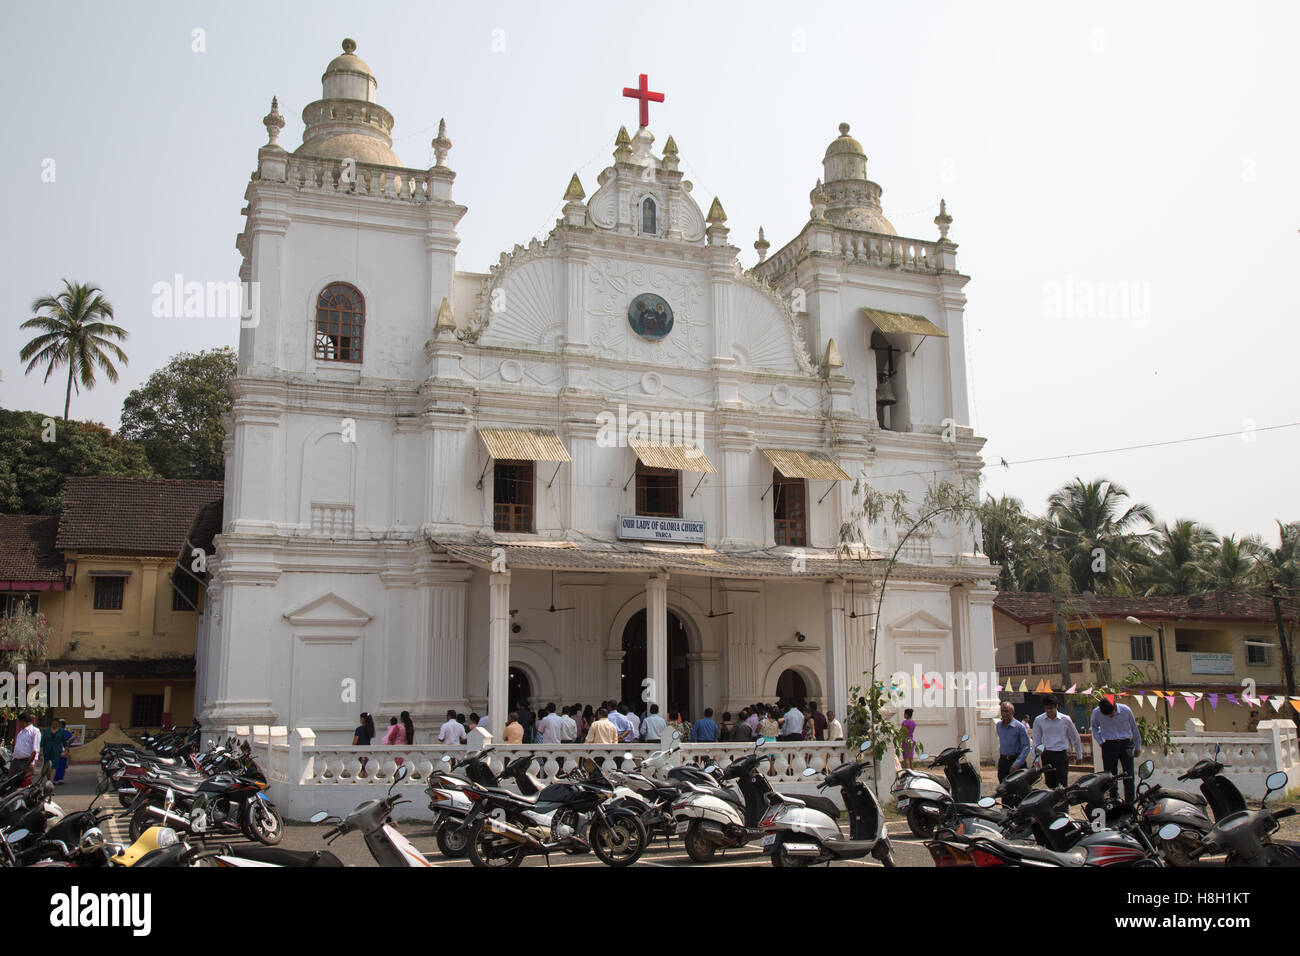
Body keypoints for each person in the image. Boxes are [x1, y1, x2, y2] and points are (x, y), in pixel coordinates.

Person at [1091, 697, 1142, 803]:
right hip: (1109, 745)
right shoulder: (1096, 712)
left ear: (1115, 706)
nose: (1110, 716)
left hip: (1125, 743)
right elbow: (1094, 728)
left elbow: (1134, 728)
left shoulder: (1126, 710)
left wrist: (1138, 747)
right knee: (1110, 777)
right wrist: (1100, 742)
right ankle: (1114, 799)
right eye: (1106, 715)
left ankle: (1129, 802)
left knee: (1128, 775)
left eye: (1111, 713)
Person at [1032, 695, 1082, 790]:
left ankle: (1063, 804)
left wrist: (1079, 756)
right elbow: (1036, 740)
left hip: (1061, 755)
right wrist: (1036, 759)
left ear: (1056, 706)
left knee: (1062, 784)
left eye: (1051, 708)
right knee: (1050, 783)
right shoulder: (1039, 720)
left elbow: (1075, 737)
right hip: (1047, 755)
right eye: (1046, 708)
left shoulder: (1065, 719)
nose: (1049, 711)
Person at [995, 701, 1031, 782]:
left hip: (1016, 760)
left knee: (1018, 788)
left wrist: (1017, 764)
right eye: (1002, 711)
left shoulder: (1020, 727)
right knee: (1003, 787)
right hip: (1003, 761)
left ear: (1012, 712)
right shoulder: (999, 726)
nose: (1004, 713)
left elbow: (1026, 747)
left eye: (1006, 711)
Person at [352, 712, 375, 777]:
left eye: (360, 718)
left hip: (359, 751)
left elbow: (355, 742)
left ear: (363, 719)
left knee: (359, 770)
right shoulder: (370, 729)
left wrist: (352, 749)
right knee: (366, 770)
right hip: (367, 751)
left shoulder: (359, 729)